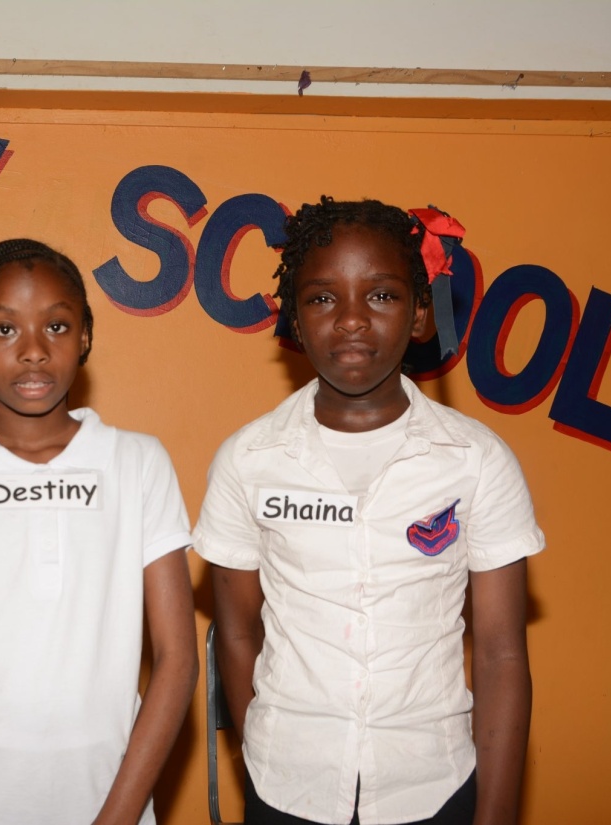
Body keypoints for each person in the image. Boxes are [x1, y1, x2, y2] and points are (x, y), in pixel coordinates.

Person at [196, 197, 543, 825]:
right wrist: (266, 759)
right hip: (285, 790)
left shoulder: (476, 460)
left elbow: (500, 654)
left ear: (418, 315)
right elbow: (238, 633)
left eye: (381, 296)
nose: (351, 320)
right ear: (295, 322)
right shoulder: (248, 460)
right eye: (323, 298)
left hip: (433, 786)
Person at [0, 239, 198, 825]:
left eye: (56, 326)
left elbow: (178, 659)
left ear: (84, 336)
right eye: (5, 330)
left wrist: (117, 818)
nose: (33, 351)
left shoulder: (136, 462)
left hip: (112, 802)